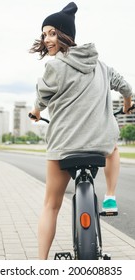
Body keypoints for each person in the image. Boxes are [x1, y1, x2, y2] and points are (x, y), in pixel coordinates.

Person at [29, 2, 133, 260]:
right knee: (114, 146)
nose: (47, 39)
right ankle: (109, 195)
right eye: (44, 34)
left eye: (52, 32)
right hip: (99, 144)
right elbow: (125, 86)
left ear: (66, 34)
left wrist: (37, 111)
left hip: (65, 146)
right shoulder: (101, 65)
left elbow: (41, 97)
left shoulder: (55, 67)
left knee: (51, 205)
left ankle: (40, 266)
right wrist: (128, 103)